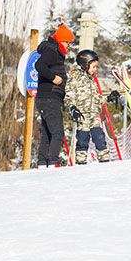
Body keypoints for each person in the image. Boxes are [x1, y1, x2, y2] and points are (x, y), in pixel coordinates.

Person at [34, 24, 74, 168]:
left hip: (46, 98)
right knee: (58, 133)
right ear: (62, 41)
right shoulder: (52, 51)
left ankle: (42, 163)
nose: (70, 46)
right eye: (69, 43)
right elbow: (39, 66)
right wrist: (54, 78)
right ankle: (53, 163)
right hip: (49, 97)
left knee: (47, 133)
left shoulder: (54, 51)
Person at [64, 50, 110, 164]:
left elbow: (96, 99)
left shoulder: (91, 80)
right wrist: (72, 108)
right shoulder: (74, 78)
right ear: (84, 64)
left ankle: (104, 160)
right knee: (82, 140)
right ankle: (81, 163)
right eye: (93, 67)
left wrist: (108, 98)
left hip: (94, 114)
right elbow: (69, 94)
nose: (95, 70)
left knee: (99, 137)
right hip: (82, 115)